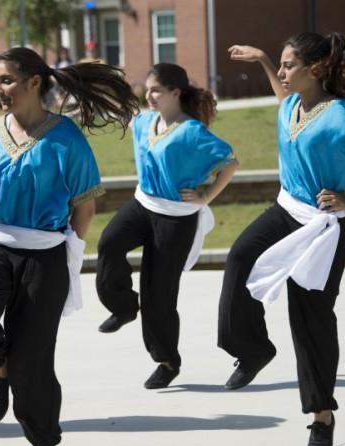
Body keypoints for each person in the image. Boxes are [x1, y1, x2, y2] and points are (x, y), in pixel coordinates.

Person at [0, 47, 138, 446]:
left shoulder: (66, 139)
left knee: (35, 370)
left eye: (7, 80)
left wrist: (69, 249)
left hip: (44, 255)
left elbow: (85, 205)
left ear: (34, 82)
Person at [220, 33, 345, 446]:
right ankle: (253, 350)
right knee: (240, 257)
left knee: (310, 318)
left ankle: (321, 416)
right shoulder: (290, 105)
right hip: (285, 212)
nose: (282, 73)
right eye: (280, 65)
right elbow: (280, 90)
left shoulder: (344, 116)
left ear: (315, 69)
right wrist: (263, 57)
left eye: (287, 64)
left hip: (322, 227)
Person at [96, 63, 239, 390]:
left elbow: (231, 162)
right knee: (109, 243)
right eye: (147, 89)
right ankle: (123, 307)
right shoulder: (145, 121)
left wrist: (206, 196)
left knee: (158, 295)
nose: (149, 95)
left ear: (176, 92)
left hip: (175, 218)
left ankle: (167, 361)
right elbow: (119, 111)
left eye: (156, 90)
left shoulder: (192, 132)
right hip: (142, 205)